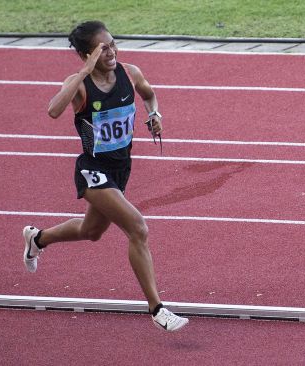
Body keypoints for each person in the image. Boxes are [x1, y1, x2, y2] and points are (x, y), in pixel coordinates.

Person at [22, 20, 187, 332]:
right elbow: (53, 110)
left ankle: (37, 239)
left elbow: (150, 95)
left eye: (112, 44)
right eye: (102, 48)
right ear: (87, 54)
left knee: (91, 231)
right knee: (137, 228)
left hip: (120, 168)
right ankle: (157, 309)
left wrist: (155, 115)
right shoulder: (80, 84)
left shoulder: (131, 73)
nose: (111, 52)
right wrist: (83, 71)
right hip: (92, 169)